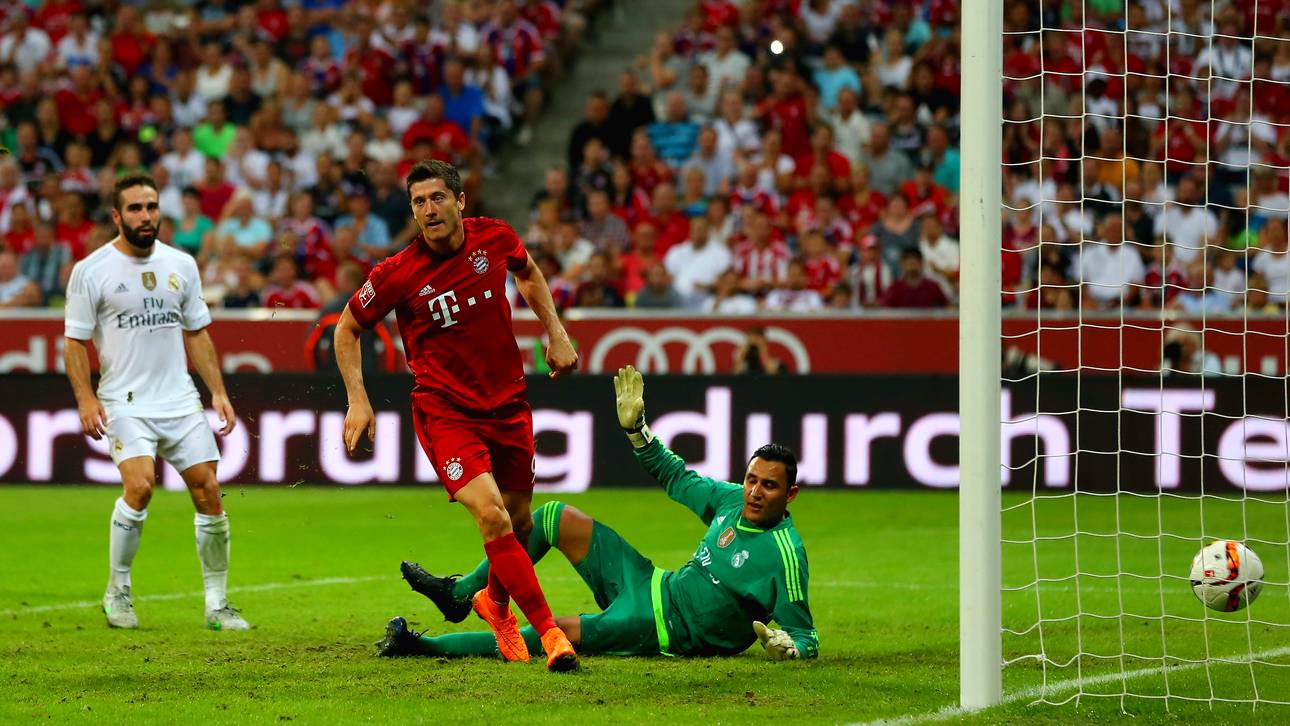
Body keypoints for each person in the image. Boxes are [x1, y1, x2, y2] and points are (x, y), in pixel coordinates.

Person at [382, 366, 817, 662]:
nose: (755, 492)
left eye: (769, 485)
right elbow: (674, 475)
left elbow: (805, 637)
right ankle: (462, 595)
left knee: (554, 633)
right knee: (552, 516)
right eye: (752, 480)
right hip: (655, 584)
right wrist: (636, 429)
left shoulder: (785, 553)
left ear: (790, 494)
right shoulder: (729, 500)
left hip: (662, 627)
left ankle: (425, 648)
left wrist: (791, 649)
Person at [332, 160, 579, 672]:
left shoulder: (495, 239)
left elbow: (528, 271)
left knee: (520, 522)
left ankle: (493, 603)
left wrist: (554, 331)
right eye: (419, 202)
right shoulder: (397, 273)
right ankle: (550, 634)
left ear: (460, 201)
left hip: (508, 402)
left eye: (437, 197)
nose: (428, 209)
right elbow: (347, 328)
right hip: (445, 410)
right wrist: (358, 398)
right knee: (491, 513)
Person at [62, 174, 247, 631]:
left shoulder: (181, 264)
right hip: (125, 401)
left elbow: (197, 333)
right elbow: (73, 343)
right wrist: (85, 399)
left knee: (208, 491)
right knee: (140, 485)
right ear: (116, 216)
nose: (146, 216)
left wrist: (218, 392)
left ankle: (217, 605)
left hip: (180, 400)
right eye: (136, 209)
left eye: (151, 207)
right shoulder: (92, 270)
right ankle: (118, 592)